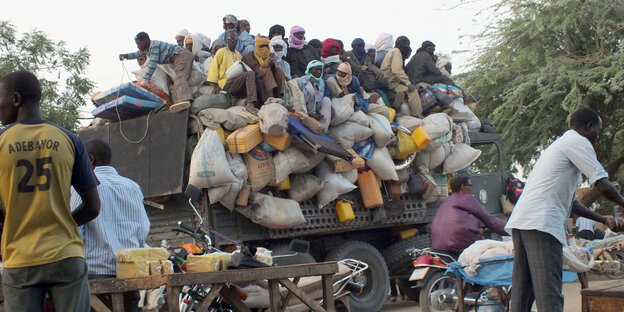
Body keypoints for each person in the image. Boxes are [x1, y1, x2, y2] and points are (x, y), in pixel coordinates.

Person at [505, 107, 624, 312]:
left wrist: (605, 221)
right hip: (542, 223)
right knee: (549, 296)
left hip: (524, 221)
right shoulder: (578, 142)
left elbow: (573, 205)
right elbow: (603, 184)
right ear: (588, 126)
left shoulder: (561, 145)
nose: (598, 136)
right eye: (598, 130)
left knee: (522, 297)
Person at [0, 70, 101, 312]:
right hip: (65, 256)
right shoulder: (69, 139)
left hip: (20, 258)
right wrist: (63, 224)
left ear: (15, 99)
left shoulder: (2, 142)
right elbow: (93, 207)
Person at [71, 139, 149, 312]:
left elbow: (73, 230)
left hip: (96, 273)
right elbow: (143, 229)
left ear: (89, 159)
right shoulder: (133, 187)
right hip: (130, 273)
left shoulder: (82, 187)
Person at [431, 174, 508, 255]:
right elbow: (491, 221)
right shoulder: (467, 199)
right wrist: (511, 229)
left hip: (438, 247)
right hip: (459, 247)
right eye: (470, 185)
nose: (471, 188)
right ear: (462, 186)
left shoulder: (446, 201)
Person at [119, 32, 193, 113]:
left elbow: (152, 65)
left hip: (181, 54)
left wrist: (145, 81)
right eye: (137, 44)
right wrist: (126, 56)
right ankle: (178, 104)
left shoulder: (154, 46)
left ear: (146, 40)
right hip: (176, 57)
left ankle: (185, 100)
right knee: (176, 85)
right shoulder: (146, 50)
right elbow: (136, 54)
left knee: (180, 78)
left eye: (139, 44)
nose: (138, 46)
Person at [207, 29, 258, 113]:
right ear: (227, 39)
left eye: (235, 39)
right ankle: (250, 104)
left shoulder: (238, 54)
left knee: (255, 78)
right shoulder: (221, 52)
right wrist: (215, 85)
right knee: (249, 74)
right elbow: (214, 68)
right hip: (226, 82)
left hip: (237, 82)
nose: (233, 41)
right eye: (231, 38)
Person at [380, 36, 422, 117]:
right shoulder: (396, 51)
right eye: (406, 44)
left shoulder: (393, 51)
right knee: (412, 91)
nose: (407, 46)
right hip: (391, 83)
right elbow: (397, 70)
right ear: (401, 44)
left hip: (390, 81)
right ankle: (417, 114)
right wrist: (408, 83)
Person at [242, 35, 286, 104]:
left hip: (270, 76)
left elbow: (276, 68)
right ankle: (270, 99)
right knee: (266, 71)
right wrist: (263, 67)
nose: (264, 48)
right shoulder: (248, 56)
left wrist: (271, 62)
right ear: (257, 46)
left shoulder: (271, 55)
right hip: (255, 78)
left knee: (280, 71)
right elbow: (248, 72)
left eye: (266, 46)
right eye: (262, 46)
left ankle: (280, 98)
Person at [295, 60, 332, 133]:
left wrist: (317, 113)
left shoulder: (321, 82)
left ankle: (323, 129)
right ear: (310, 70)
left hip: (315, 109)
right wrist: (311, 85)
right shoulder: (301, 80)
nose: (318, 72)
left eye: (320, 70)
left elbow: (319, 99)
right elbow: (303, 99)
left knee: (327, 100)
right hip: (304, 110)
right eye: (316, 69)